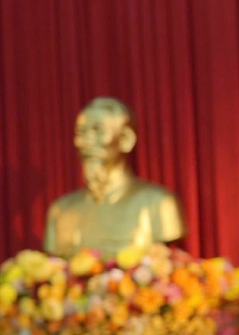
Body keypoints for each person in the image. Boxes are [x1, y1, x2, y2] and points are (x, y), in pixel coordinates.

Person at [44, 97, 186, 258]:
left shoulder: (158, 203)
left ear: (126, 139)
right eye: (81, 133)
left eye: (98, 131)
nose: (85, 142)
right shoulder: (61, 210)